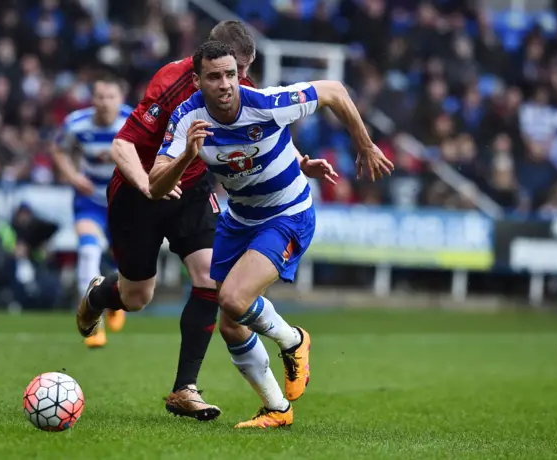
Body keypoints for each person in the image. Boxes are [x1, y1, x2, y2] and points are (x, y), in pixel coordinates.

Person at [75, 21, 335, 421]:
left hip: (192, 190)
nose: (240, 80)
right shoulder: (170, 82)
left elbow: (261, 127)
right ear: (206, 64)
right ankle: (98, 296)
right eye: (234, 70)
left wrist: (298, 161)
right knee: (137, 297)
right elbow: (122, 143)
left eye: (241, 71)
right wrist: (148, 185)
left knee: (209, 280)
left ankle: (185, 389)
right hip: (138, 192)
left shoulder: (232, 85)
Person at [148, 41, 394, 428]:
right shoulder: (186, 119)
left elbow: (334, 90)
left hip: (287, 214)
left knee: (232, 297)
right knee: (231, 321)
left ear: (239, 74)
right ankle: (277, 409)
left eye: (230, 74)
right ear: (197, 81)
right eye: (214, 77)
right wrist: (185, 156)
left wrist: (364, 144)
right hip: (240, 219)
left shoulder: (266, 102)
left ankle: (293, 340)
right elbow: (156, 186)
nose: (225, 84)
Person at [52, 74, 132, 347]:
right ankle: (92, 320)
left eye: (110, 97)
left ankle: (114, 302)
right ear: (92, 98)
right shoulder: (76, 123)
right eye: (99, 97)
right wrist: (73, 177)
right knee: (88, 249)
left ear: (120, 99)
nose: (104, 103)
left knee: (126, 258)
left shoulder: (132, 121)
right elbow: (58, 149)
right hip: (90, 201)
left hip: (123, 201)